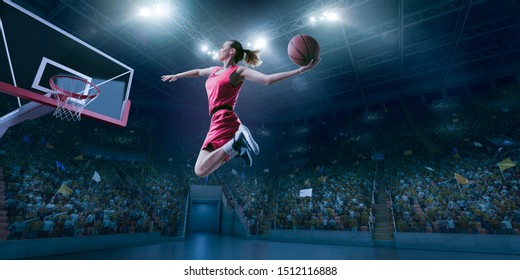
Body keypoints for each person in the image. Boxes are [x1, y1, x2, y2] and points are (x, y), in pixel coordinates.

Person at [162, 39, 320, 177]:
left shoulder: (238, 71)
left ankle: (237, 141)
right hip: (218, 119)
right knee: (204, 169)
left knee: (200, 170)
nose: (219, 49)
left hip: (224, 118)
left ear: (232, 51)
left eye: (223, 46)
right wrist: (177, 75)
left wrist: (300, 70)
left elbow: (267, 80)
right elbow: (197, 71)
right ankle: (238, 150)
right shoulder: (215, 70)